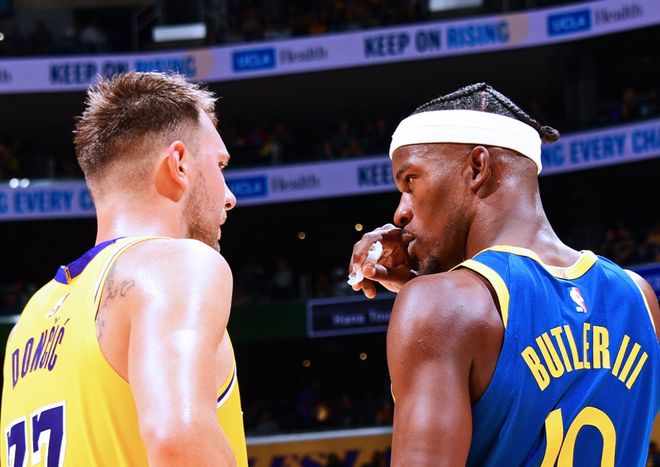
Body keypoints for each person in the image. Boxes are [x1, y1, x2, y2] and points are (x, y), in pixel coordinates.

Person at [348, 83, 660, 465]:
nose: (400, 212)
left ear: (477, 167)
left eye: (410, 181)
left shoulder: (439, 305)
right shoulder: (638, 298)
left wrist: (428, 304)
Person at [1, 72, 247, 466]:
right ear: (179, 164)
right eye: (219, 165)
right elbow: (177, 438)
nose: (230, 197)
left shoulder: (29, 320)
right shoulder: (176, 265)